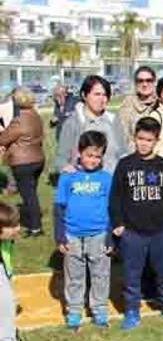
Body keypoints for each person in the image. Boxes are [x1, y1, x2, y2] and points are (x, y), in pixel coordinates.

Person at [110, 117, 163, 329]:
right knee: (132, 273)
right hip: (133, 231)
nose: (143, 143)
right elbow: (115, 197)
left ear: (156, 141)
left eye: (148, 140)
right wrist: (118, 223)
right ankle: (132, 310)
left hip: (162, 230)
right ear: (134, 138)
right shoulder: (125, 165)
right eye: (140, 138)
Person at [54, 131, 114, 330]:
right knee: (74, 275)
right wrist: (60, 235)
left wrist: (110, 238)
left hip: (99, 234)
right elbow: (59, 207)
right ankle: (74, 311)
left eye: (98, 156)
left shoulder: (106, 178)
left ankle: (99, 310)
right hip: (72, 234)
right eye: (89, 155)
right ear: (79, 152)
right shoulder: (67, 177)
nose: (93, 160)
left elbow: (111, 209)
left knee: (100, 275)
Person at [55, 75, 126, 174]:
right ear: (84, 95)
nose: (101, 99)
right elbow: (61, 160)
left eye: (105, 95)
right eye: (97, 94)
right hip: (84, 184)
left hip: (111, 182)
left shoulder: (113, 120)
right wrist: (65, 168)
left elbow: (123, 153)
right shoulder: (72, 123)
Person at [0, 88, 45, 237]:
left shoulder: (19, 120)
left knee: (28, 195)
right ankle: (33, 219)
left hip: (23, 162)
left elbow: (4, 138)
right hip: (38, 159)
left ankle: (35, 227)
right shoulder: (36, 116)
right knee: (31, 193)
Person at [0, 202, 27, 341]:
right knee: (7, 301)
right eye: (12, 226)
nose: (18, 228)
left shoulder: (6, 240)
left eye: (17, 224)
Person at [118, 66, 158, 145]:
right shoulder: (127, 104)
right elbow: (123, 134)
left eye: (149, 80)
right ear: (135, 83)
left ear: (154, 82)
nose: (145, 84)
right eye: (140, 81)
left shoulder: (161, 102)